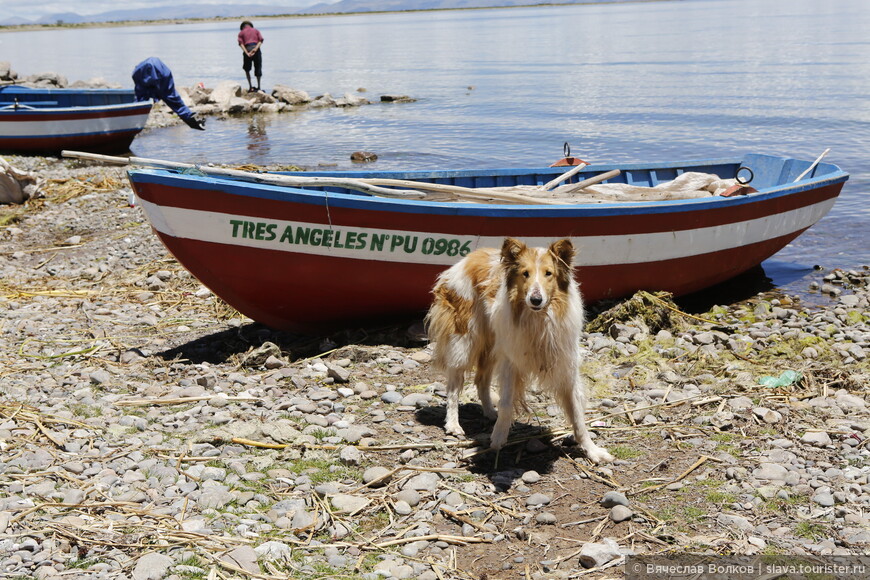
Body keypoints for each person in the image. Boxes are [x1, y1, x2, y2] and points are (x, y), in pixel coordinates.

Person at [131, 57, 205, 130]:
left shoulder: (138, 74)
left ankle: (133, 122)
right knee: (173, 100)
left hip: (146, 72)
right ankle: (190, 118)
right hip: (161, 72)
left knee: (141, 99)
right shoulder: (160, 75)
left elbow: (141, 93)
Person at [238, 21, 264, 92]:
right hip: (256, 49)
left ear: (242, 27)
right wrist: (255, 49)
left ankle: (250, 87)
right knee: (258, 67)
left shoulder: (241, 33)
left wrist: (246, 52)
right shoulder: (256, 30)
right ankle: (259, 87)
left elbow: (241, 44)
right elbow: (261, 40)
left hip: (247, 49)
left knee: (247, 69)